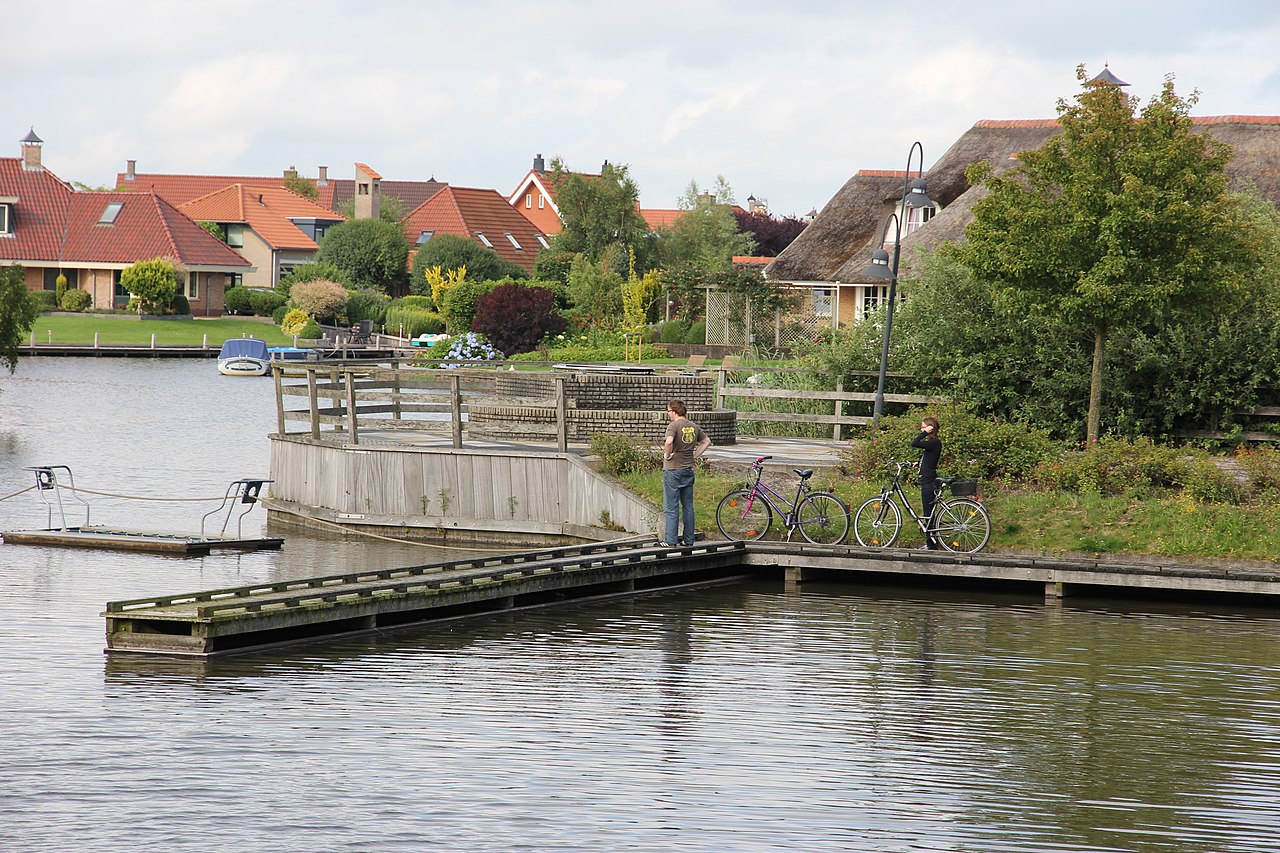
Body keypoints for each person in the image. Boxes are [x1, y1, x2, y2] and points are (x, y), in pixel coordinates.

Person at [661, 399, 711, 547]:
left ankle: (670, 541)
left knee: (671, 507)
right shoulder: (693, 426)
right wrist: (695, 455)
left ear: (674, 411)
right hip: (688, 470)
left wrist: (666, 455)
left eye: (668, 411)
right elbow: (706, 441)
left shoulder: (674, 425)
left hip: (673, 469)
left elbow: (669, 442)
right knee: (688, 506)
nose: (668, 414)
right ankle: (688, 540)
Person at [911, 416, 942, 549]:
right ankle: (931, 543)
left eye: (924, 427)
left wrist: (924, 433)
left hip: (929, 482)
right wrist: (919, 464)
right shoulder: (932, 444)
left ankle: (931, 545)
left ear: (931, 429)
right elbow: (930, 458)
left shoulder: (934, 442)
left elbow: (915, 442)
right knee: (928, 513)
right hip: (928, 480)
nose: (921, 429)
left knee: (928, 514)